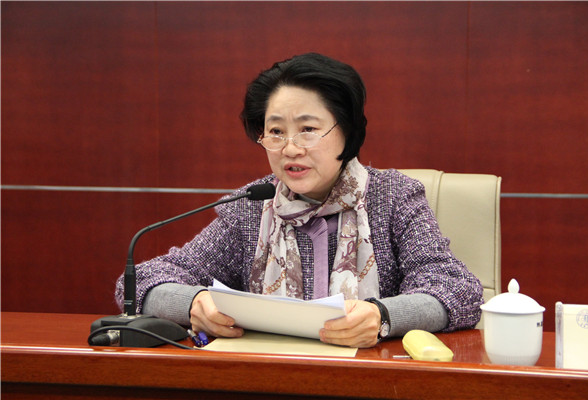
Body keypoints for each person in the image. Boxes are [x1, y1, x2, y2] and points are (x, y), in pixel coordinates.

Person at [115, 53, 483, 348]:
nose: (290, 148)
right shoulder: (251, 206)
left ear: (347, 130)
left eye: (307, 129)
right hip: (269, 381)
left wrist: (383, 316)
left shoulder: (393, 197)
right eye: (276, 132)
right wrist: (194, 304)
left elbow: (457, 289)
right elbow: (140, 282)